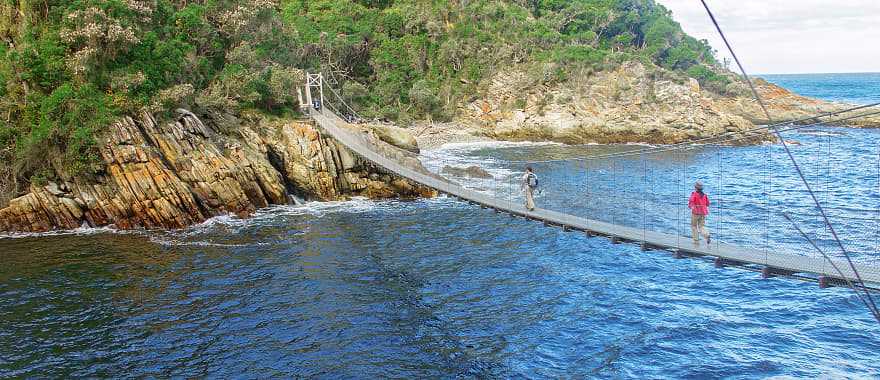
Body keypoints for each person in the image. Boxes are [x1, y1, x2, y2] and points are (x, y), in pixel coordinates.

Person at [688, 181, 711, 245]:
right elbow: (708, 204)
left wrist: (691, 207)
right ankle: (707, 235)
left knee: (693, 226)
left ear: (695, 188)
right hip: (703, 213)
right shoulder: (705, 195)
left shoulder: (694, 194)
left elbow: (691, 202)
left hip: (695, 213)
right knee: (702, 226)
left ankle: (696, 241)